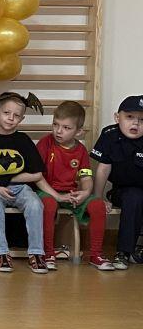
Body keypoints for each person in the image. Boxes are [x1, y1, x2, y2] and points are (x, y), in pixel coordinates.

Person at [0, 90, 57, 274]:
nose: (10, 118)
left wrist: (8, 178)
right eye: (6, 113)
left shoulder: (23, 140)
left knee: (35, 204)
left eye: (16, 115)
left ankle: (36, 253)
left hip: (21, 189)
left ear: (22, 119)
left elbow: (37, 174)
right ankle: (1, 253)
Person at [36, 100, 113, 270]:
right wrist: (57, 196)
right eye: (55, 124)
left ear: (78, 132)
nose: (58, 131)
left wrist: (85, 192)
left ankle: (95, 255)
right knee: (48, 204)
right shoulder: (45, 143)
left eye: (66, 127)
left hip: (71, 193)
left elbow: (85, 177)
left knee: (97, 205)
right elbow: (37, 177)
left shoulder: (81, 150)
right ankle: (47, 253)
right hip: (47, 191)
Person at [90, 93, 143, 268]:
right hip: (123, 191)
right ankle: (124, 252)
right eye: (130, 117)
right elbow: (103, 168)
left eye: (142, 120)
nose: (135, 123)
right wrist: (98, 197)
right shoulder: (110, 135)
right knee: (134, 197)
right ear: (117, 117)